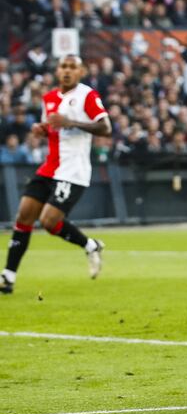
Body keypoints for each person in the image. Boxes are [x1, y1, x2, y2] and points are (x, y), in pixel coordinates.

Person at [1, 55, 110, 294]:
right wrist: (41, 130)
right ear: (57, 70)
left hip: (73, 170)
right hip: (49, 167)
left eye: (73, 67)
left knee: (49, 221)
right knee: (24, 215)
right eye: (63, 67)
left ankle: (90, 245)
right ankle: (8, 276)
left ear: (81, 71)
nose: (67, 71)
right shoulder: (49, 98)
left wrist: (71, 122)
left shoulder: (87, 96)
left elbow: (106, 128)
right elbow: (53, 129)